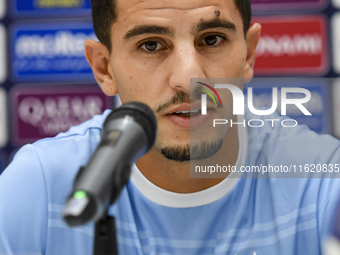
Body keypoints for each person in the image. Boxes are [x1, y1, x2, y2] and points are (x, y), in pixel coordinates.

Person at [1, 0, 340, 254]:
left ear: (248, 55)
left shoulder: (321, 181)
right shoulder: (39, 187)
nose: (189, 79)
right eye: (151, 45)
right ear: (104, 68)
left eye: (211, 40)